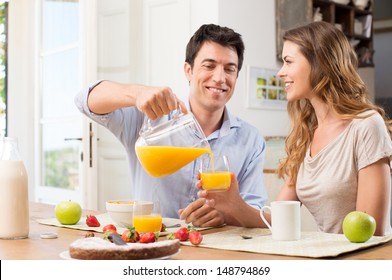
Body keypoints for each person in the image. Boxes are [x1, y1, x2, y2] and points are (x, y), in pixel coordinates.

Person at [198, 21, 392, 235]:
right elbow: (276, 221)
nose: (281, 73)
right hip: (327, 258)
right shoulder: (305, 136)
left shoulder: (366, 126)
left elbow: (372, 233)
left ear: (320, 63)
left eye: (288, 62)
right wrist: (232, 205)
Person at [75, 24, 268, 227]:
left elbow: (257, 214)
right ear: (188, 70)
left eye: (230, 69)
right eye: (209, 66)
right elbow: (84, 100)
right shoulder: (150, 116)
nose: (220, 78)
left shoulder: (251, 139)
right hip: (152, 243)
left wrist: (226, 215)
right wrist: (137, 93)